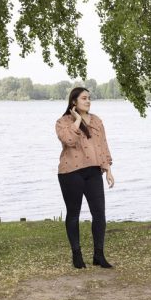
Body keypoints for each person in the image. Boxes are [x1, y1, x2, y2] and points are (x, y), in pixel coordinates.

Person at [55, 87, 116, 269]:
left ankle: (99, 255)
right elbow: (69, 141)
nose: (88, 101)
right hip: (70, 173)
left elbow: (103, 145)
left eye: (89, 98)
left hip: (93, 172)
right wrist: (78, 120)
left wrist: (108, 169)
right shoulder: (63, 122)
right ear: (74, 102)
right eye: (83, 98)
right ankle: (77, 255)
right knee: (73, 214)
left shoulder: (97, 121)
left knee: (99, 214)